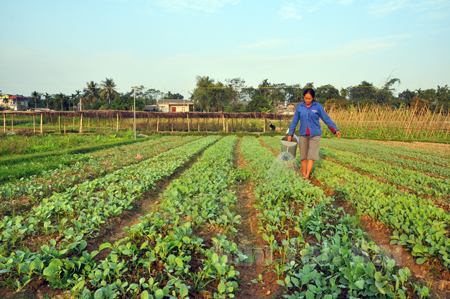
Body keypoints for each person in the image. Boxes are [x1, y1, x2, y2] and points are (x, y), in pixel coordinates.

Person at [287, 88, 341, 179]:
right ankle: (303, 173)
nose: (307, 100)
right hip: (303, 134)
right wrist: (290, 134)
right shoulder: (300, 107)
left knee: (311, 156)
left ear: (313, 98)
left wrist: (335, 129)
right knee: (303, 156)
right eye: (305, 98)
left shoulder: (318, 106)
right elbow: (294, 121)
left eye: (309, 98)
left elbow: (326, 118)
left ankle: (307, 175)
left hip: (315, 134)